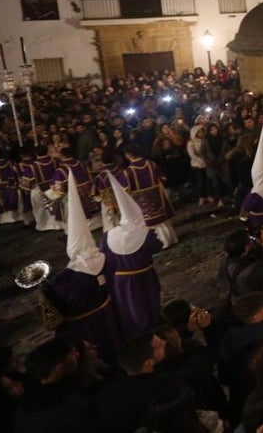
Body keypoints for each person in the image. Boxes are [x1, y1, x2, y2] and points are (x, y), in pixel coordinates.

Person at [38, 171, 122, 363]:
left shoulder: (66, 278)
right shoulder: (107, 259)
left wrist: (46, 291)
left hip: (84, 324)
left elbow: (60, 305)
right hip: (108, 312)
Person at [102, 173, 164, 338]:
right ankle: (151, 330)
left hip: (120, 279)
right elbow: (158, 246)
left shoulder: (108, 235)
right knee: (147, 303)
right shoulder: (145, 234)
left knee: (127, 305)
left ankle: (132, 330)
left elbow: (103, 254)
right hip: (144, 276)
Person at [117, 143, 177, 248]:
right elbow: (163, 178)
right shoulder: (151, 164)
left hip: (142, 199)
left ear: (128, 155)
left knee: (152, 222)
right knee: (162, 220)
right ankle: (171, 238)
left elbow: (124, 189)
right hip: (158, 195)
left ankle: (162, 243)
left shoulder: (128, 172)